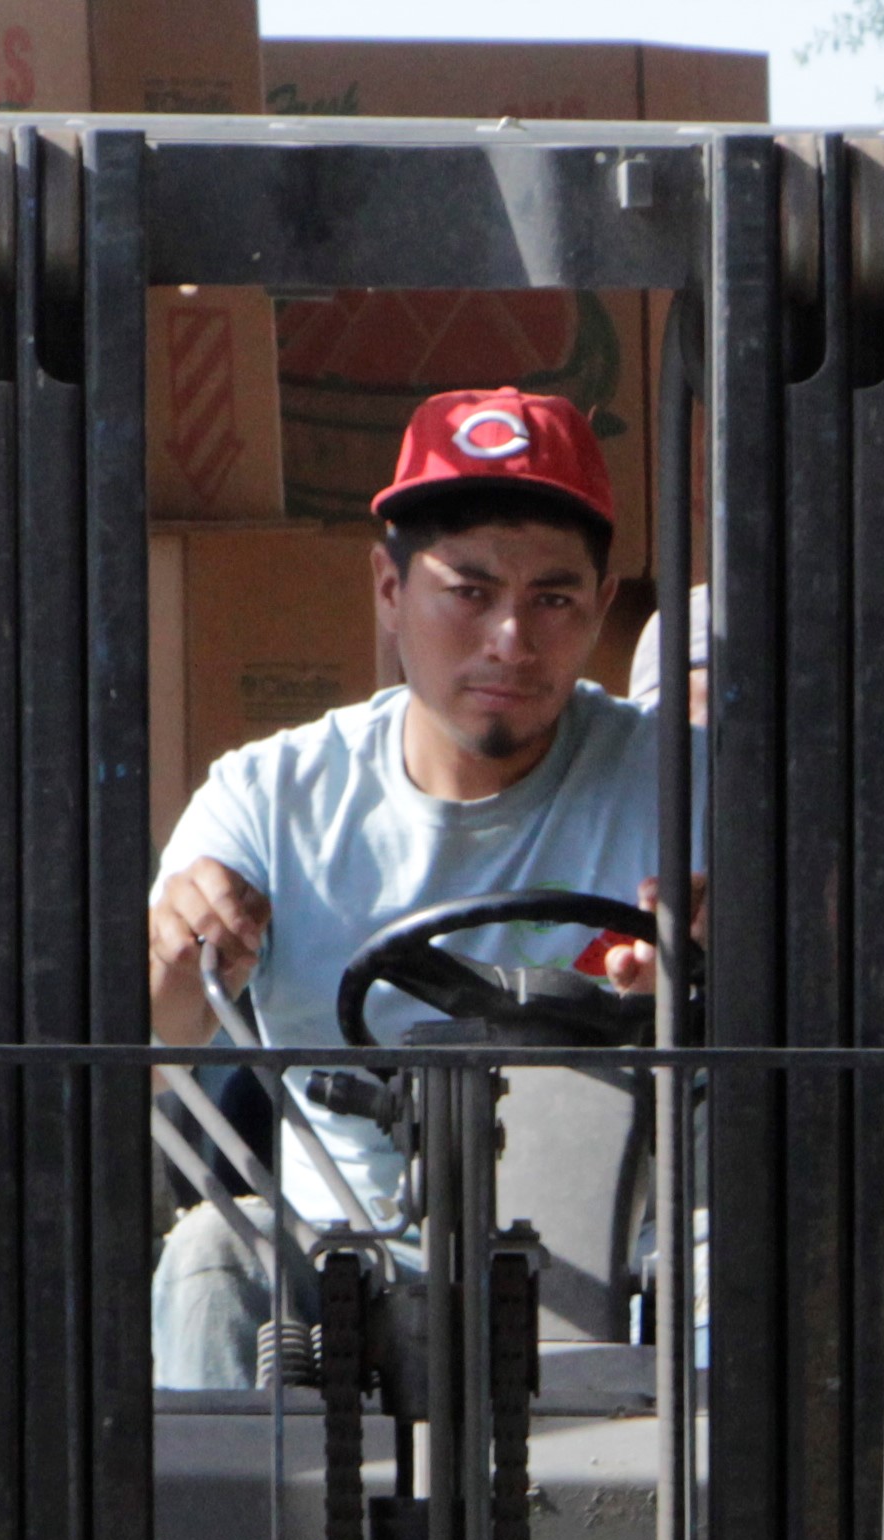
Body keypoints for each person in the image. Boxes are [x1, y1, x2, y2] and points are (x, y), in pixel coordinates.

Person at [141, 385, 669, 1388]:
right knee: (210, 1257)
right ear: (389, 591)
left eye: (552, 599)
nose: (510, 639)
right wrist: (180, 951)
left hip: (629, 1253)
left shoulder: (689, 790)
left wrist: (707, 973)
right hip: (342, 1259)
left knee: (737, 1272)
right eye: (468, 593)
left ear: (601, 606)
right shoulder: (270, 796)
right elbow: (150, 1036)